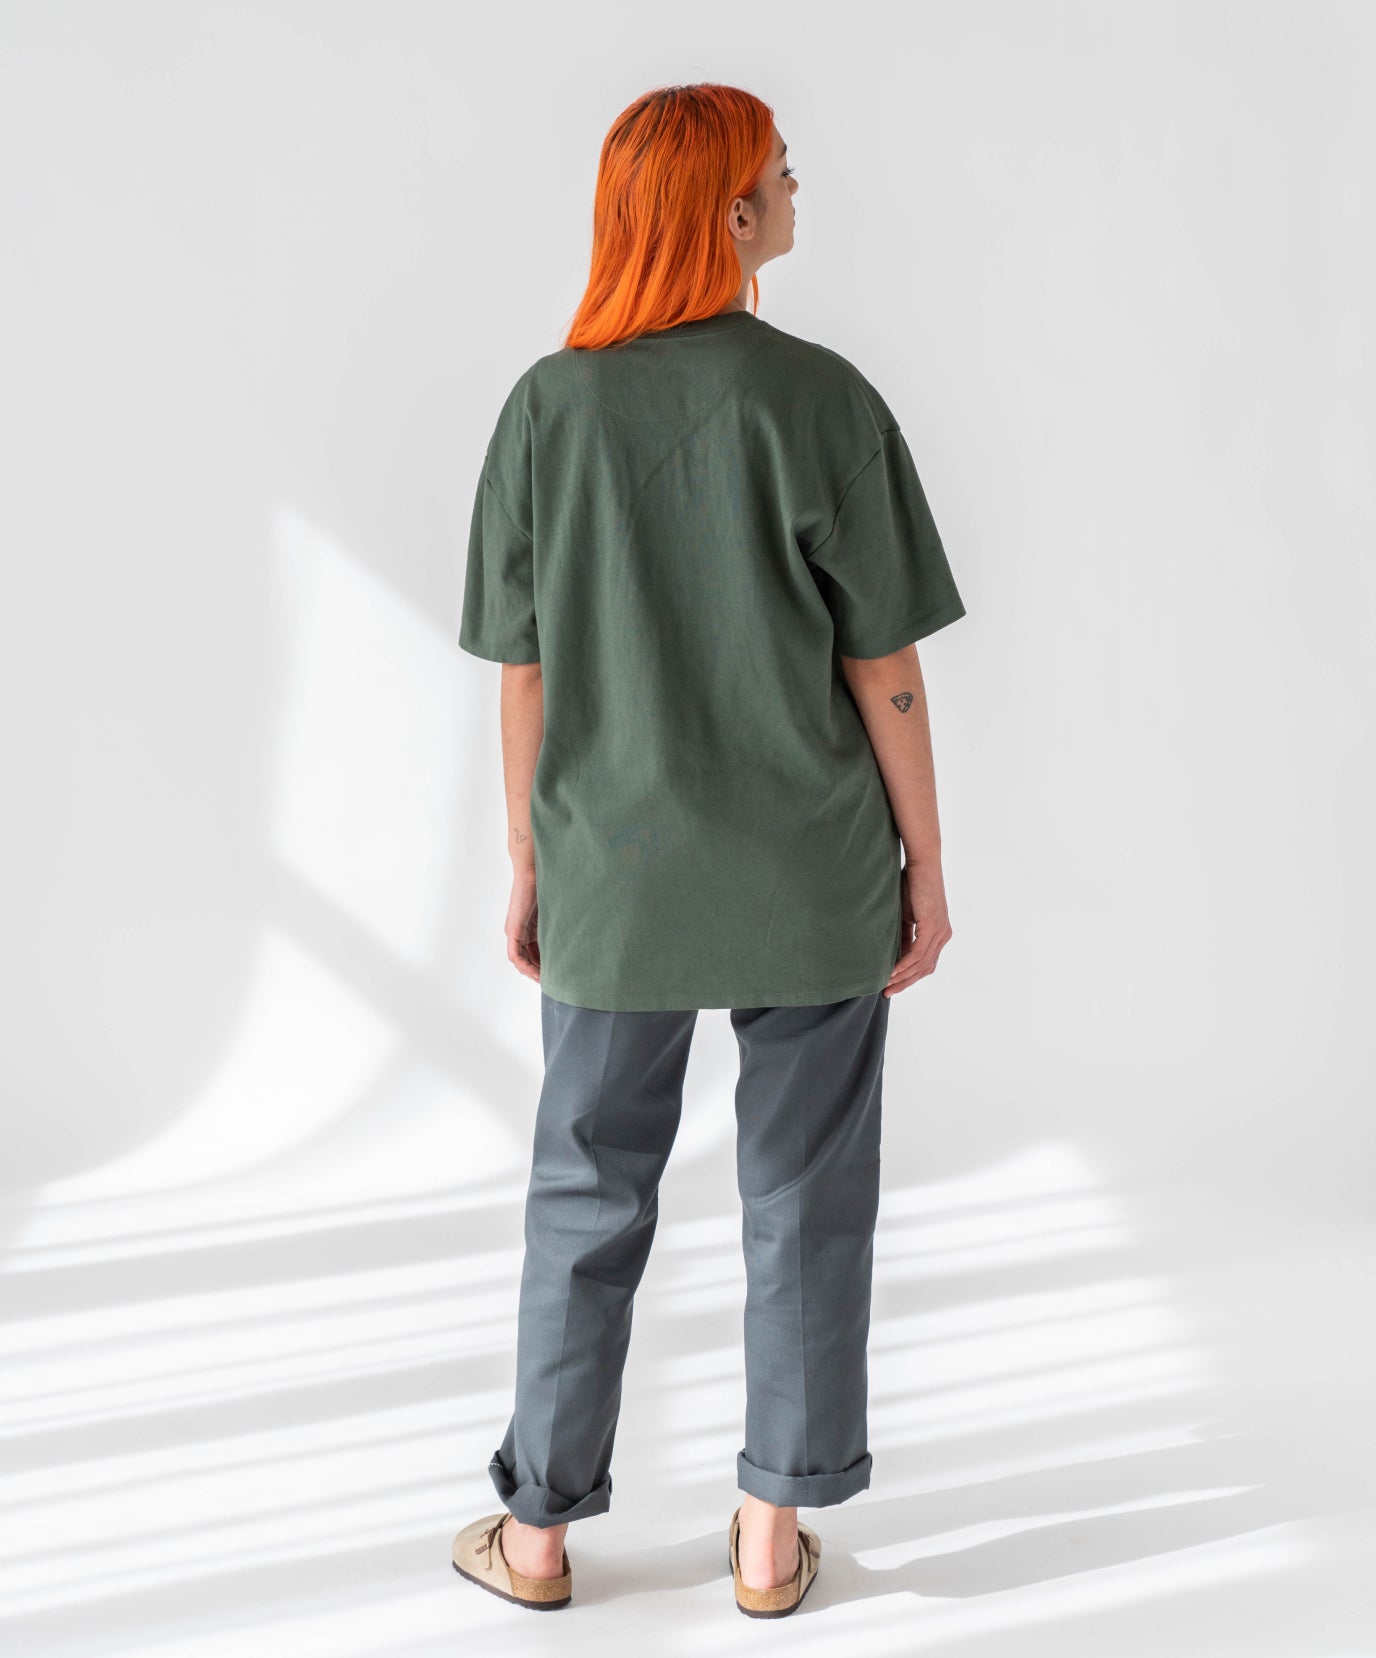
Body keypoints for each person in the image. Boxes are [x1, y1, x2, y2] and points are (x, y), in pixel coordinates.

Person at [451, 82, 966, 1617]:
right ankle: (769, 1534)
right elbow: (884, 667)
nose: (798, 188)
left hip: (613, 875)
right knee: (806, 1193)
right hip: (809, 873)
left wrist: (530, 861)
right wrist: (926, 862)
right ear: (732, 214)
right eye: (780, 173)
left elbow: (524, 673)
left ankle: (537, 1537)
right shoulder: (821, 401)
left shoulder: (547, 408)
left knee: (584, 1188)